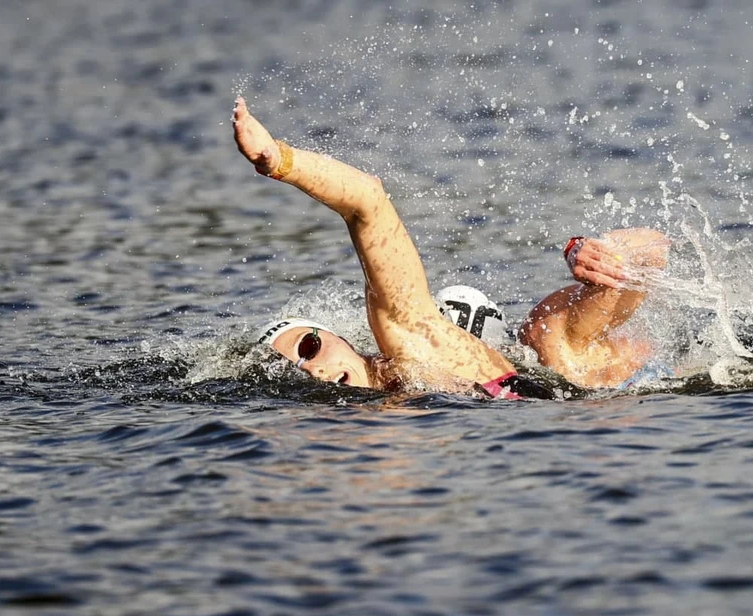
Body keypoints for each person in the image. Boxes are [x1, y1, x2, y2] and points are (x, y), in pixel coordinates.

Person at [233, 97, 670, 398]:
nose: (308, 369)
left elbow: (655, 250)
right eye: (289, 369)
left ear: (342, 339)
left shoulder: (435, 345)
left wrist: (600, 251)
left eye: (308, 348)